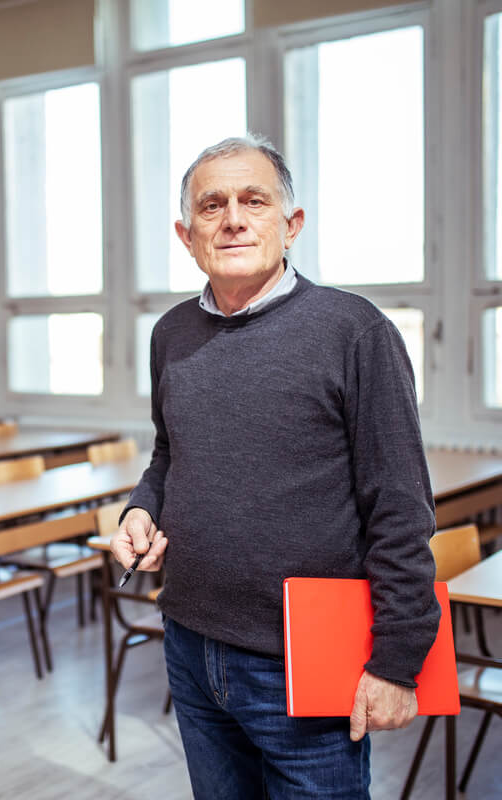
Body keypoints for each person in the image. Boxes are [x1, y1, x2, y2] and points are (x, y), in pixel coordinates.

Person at [110, 133, 440, 799]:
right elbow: (169, 454)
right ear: (185, 234)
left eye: (253, 201)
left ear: (291, 225)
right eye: (212, 206)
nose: (233, 218)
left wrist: (399, 662)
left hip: (310, 657)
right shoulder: (170, 334)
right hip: (190, 643)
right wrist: (141, 509)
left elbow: (400, 508)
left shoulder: (356, 331)